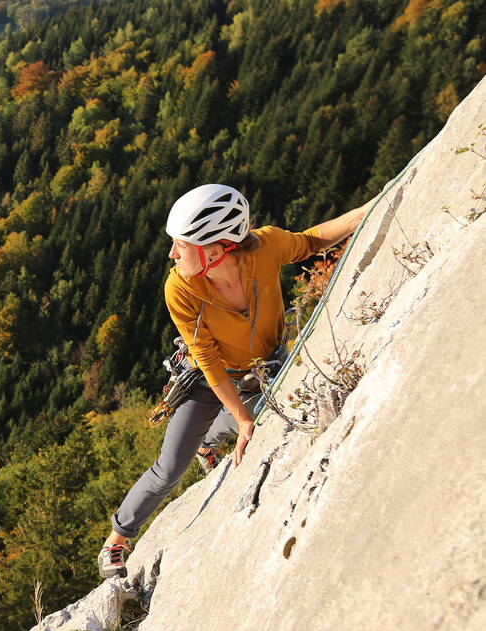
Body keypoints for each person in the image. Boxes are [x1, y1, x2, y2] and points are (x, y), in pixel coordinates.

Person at [98, 183, 373, 579]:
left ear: (214, 249)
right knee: (169, 467)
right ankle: (118, 538)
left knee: (266, 411)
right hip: (209, 379)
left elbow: (312, 240)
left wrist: (371, 205)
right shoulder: (180, 286)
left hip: (265, 369)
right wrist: (242, 419)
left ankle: (208, 442)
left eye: (181, 245)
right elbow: (207, 358)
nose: (172, 254)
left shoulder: (267, 248)